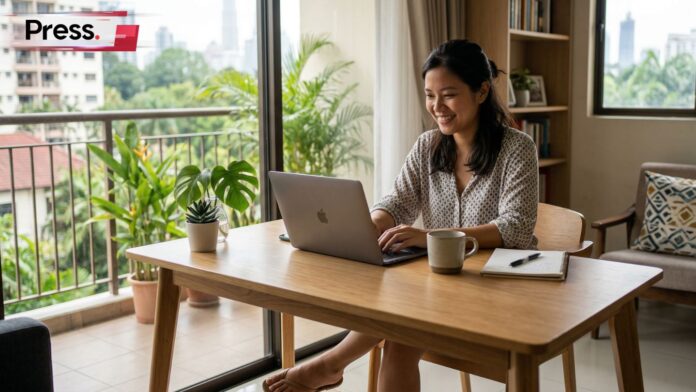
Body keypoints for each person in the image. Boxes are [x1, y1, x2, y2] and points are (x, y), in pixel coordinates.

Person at [263, 39, 538, 392]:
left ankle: (328, 365)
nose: (437, 106)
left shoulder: (517, 149)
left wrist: (432, 238)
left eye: (449, 94)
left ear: (482, 90)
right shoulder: (428, 146)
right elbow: (396, 202)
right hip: (440, 285)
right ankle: (328, 366)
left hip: (498, 289)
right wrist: (368, 224)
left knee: (400, 330)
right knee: (400, 324)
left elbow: (514, 229)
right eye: (429, 95)